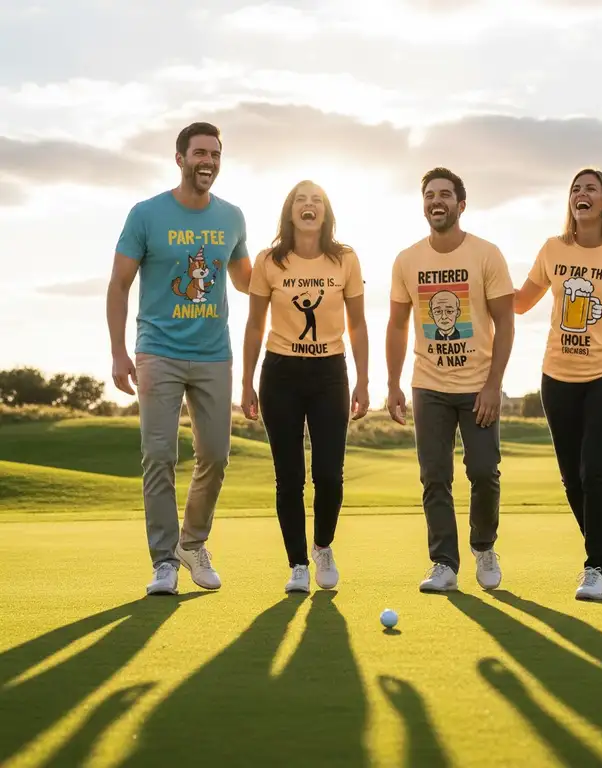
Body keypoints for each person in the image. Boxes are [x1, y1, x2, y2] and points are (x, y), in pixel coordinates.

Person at [106, 121, 251, 596]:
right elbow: (119, 285)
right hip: (158, 352)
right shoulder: (146, 215)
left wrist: (307, 267)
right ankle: (165, 560)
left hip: (214, 355)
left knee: (215, 455)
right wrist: (118, 352)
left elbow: (248, 279)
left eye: (215, 154)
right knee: (159, 456)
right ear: (180, 158)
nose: (208, 161)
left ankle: (193, 542)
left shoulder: (232, 217)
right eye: (200, 153)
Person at [513, 167, 602, 601]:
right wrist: (481, 280)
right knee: (571, 478)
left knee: (594, 468)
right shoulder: (552, 249)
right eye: (575, 188)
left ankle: (594, 568)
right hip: (557, 377)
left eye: (590, 189)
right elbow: (520, 304)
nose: (581, 193)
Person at [386, 167, 516, 593]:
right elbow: (397, 326)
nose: (436, 201)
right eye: (429, 195)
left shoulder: (486, 254)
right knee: (435, 477)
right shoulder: (407, 260)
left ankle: (484, 546)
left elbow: (505, 323)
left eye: (444, 194)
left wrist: (494, 384)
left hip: (478, 385)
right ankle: (443, 563)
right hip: (429, 385)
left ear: (462, 204)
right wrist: (393, 383)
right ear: (423, 204)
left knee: (483, 471)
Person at [241, 180, 369, 594]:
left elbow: (359, 322)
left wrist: (364, 379)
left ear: (326, 212)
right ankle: (297, 564)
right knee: (289, 476)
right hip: (280, 373)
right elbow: (255, 324)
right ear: (290, 211)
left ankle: (323, 547)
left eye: (316, 200)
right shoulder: (269, 261)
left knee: (329, 474)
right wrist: (246, 381)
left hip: (330, 371)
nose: (308, 205)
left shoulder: (345, 259)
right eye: (301, 200)